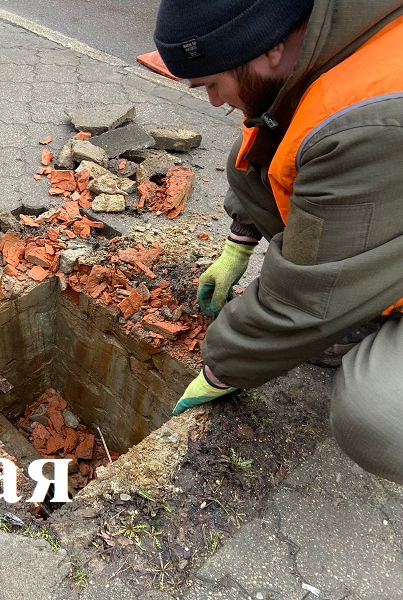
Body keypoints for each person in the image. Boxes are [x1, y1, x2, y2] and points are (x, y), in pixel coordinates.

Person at [153, 0, 403, 483]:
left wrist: (221, 366)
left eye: (212, 83)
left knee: (376, 415)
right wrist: (238, 244)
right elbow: (268, 149)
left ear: (268, 49)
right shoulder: (325, 45)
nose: (214, 102)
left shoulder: (368, 120)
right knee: (256, 149)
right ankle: (366, 312)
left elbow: (307, 297)